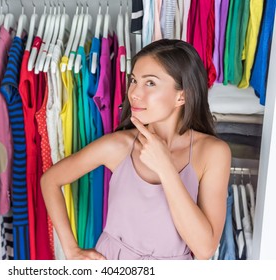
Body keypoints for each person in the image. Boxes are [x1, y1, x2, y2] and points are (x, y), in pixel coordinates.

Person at [40, 39, 231, 260]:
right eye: (133, 80)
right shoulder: (118, 145)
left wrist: (165, 167)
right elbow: (50, 180)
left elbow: (205, 249)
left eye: (150, 83)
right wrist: (71, 250)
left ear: (182, 95)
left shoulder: (212, 153)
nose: (134, 94)